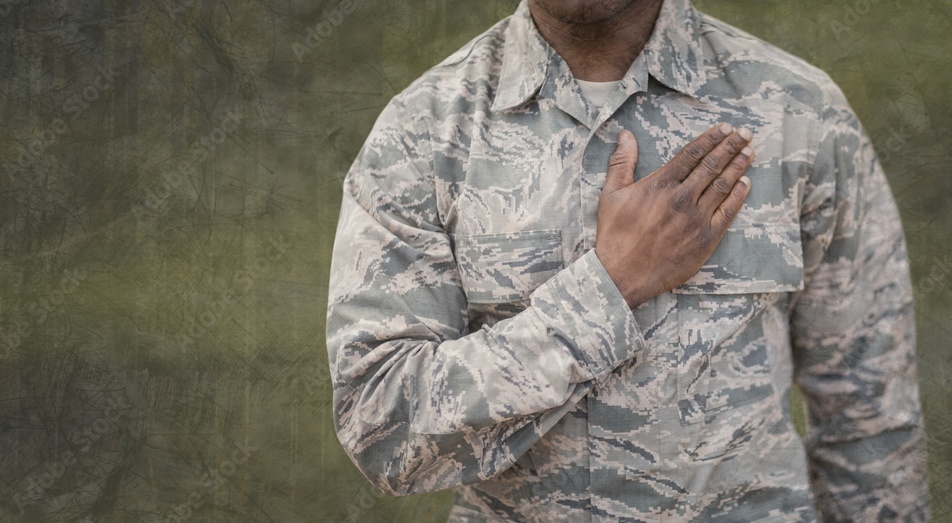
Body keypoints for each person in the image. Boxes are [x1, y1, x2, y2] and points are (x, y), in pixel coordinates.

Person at [325, 0, 930, 520]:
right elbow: (384, 427)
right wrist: (609, 288)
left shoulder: (801, 115)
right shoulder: (420, 134)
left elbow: (869, 422)